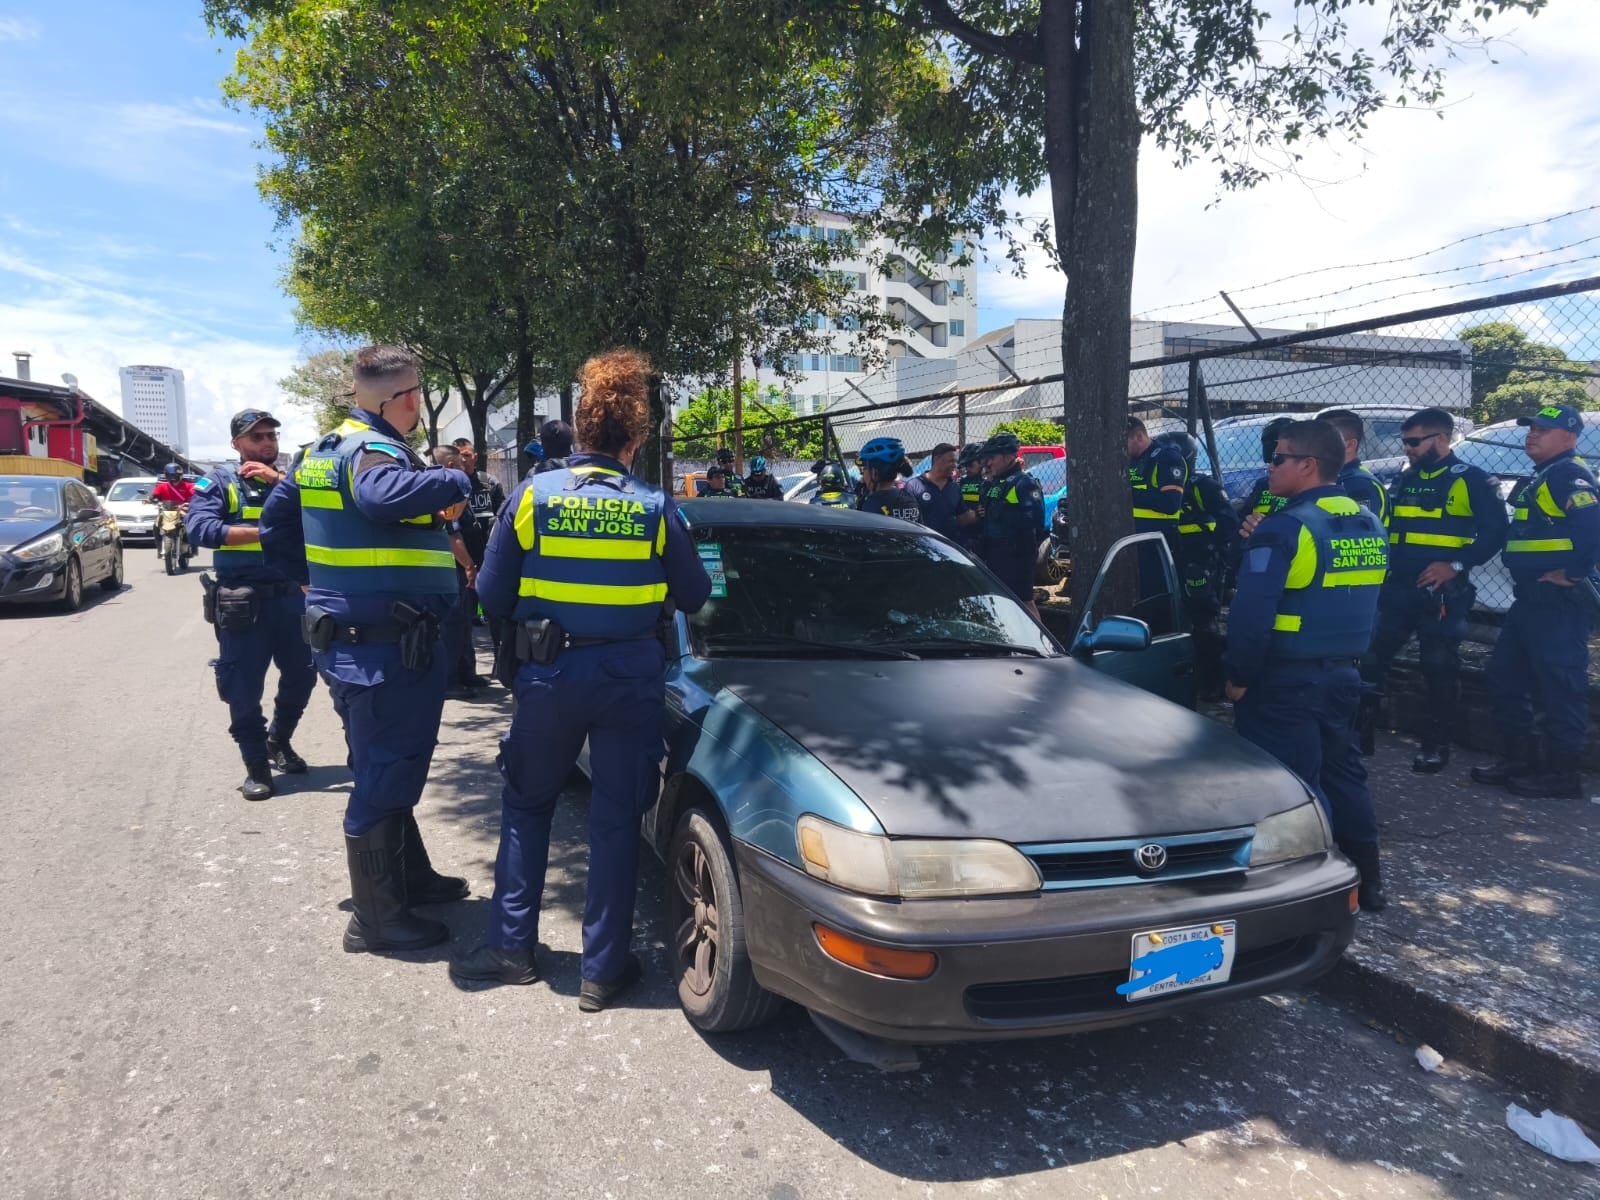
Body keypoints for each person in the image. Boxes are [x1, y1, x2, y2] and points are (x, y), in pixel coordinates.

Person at [451, 348, 712, 1007]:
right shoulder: (655, 507)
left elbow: (491, 597)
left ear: (579, 432)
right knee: (616, 820)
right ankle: (602, 970)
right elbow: (694, 594)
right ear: (635, 440)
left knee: (527, 805)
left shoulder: (531, 498)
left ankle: (512, 950)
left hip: (549, 674)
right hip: (629, 677)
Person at [258, 344, 474, 955]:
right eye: (418, 393)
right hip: (384, 648)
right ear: (404, 399)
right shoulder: (374, 452)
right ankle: (377, 921)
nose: (419, 403)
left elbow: (276, 528)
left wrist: (316, 582)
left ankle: (408, 879)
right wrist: (456, 476)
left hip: (360, 641)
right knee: (384, 772)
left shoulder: (320, 451)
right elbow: (380, 497)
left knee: (387, 763)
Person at [1223, 420, 1389, 911]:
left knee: (1292, 790)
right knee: (1343, 776)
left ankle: (1315, 894)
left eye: (1278, 458)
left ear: (1308, 465)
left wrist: (1238, 676)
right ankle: (1368, 882)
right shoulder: (1367, 521)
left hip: (1284, 680)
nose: (1268, 467)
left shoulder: (1286, 528)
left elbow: (1251, 616)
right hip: (1344, 674)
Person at [1359, 406, 1505, 772]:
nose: (1407, 448)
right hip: (1397, 589)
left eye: (1413, 442)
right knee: (1371, 659)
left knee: (1438, 667)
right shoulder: (1406, 478)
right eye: (1405, 442)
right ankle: (1359, 734)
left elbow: (1495, 533)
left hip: (1441, 593)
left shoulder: (1471, 479)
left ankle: (1436, 745)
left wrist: (1455, 566)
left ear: (1441, 438)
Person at [185, 409, 317, 801]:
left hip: (293, 597)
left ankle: (279, 739)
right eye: (256, 437)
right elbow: (200, 528)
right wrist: (266, 534)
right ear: (236, 444)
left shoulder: (291, 481)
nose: (266, 443)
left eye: (271, 436)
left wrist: (278, 481)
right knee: (242, 686)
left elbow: (321, 514)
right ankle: (256, 763)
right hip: (243, 601)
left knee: (303, 676)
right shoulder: (219, 482)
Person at [1471, 404, 1600, 798]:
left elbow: (1593, 525)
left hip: (1558, 601)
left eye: (1544, 430)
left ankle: (1562, 775)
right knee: (1506, 677)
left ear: (1569, 437)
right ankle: (1520, 758)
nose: (1533, 434)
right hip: (1531, 601)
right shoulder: (1546, 474)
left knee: (1559, 687)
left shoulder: (1568, 475)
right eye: (1532, 428)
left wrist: (1573, 573)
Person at [1154, 430, 1238, 698]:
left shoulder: (1203, 486)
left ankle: (1212, 682)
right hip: (1169, 558)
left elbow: (1229, 522)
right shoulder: (1158, 486)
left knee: (1203, 618)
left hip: (1200, 561)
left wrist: (1211, 552)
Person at [430, 446, 485, 695]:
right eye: (461, 463)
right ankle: (450, 681)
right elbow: (452, 535)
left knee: (464, 622)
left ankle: (466, 673)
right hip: (453, 569)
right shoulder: (445, 493)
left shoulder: (448, 489)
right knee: (452, 626)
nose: (466, 467)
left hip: (459, 568)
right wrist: (469, 565)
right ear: (451, 465)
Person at [977, 431, 1045, 617]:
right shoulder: (995, 483)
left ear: (1007, 457)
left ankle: (1039, 636)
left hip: (1017, 555)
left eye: (992, 457)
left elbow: (1035, 518)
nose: (988, 463)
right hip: (995, 553)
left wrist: (1002, 512)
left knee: (1023, 602)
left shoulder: (1024, 482)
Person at [903, 442, 962, 541]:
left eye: (956, 461)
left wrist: (979, 513)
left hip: (949, 546)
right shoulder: (913, 486)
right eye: (951, 461)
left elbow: (962, 515)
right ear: (937, 459)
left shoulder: (955, 487)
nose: (955, 465)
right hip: (923, 544)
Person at [856, 436, 924, 523]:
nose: (862, 476)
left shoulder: (872, 504)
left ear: (874, 472)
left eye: (864, 469)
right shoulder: (910, 499)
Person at [151, 463, 196, 558]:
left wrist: (191, 503)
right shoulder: (162, 486)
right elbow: (155, 495)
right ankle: (159, 548)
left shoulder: (188, 486)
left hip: (182, 512)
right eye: (171, 475)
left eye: (176, 475)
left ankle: (192, 548)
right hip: (166, 512)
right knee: (156, 526)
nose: (174, 478)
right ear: (167, 476)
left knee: (191, 526)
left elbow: (195, 496)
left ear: (180, 475)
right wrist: (152, 499)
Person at [955, 443, 985, 549]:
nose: (967, 469)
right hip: (962, 533)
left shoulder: (989, 482)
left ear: (981, 461)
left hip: (982, 535)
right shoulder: (961, 482)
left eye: (970, 465)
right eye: (965, 465)